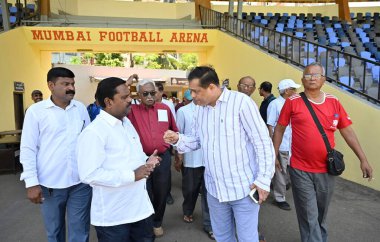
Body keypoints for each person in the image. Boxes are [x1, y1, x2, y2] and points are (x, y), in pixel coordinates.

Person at [163, 66, 275, 242]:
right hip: (214, 190)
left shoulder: (241, 103)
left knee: (247, 238)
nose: (192, 96)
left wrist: (263, 180)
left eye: (195, 91)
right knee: (222, 237)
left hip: (243, 188)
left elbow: (262, 143)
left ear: (212, 88)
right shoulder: (200, 109)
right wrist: (177, 139)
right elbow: (197, 140)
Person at [273, 63, 373, 242]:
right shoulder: (293, 101)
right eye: (308, 75)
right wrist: (273, 154)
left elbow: (347, 131)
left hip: (327, 170)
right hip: (300, 169)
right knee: (308, 213)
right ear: (303, 80)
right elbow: (279, 129)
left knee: (320, 213)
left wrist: (363, 159)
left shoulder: (334, 102)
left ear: (324, 80)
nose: (312, 77)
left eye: (316, 74)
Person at [77, 77, 161, 242]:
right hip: (114, 218)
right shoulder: (94, 132)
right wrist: (132, 175)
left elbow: (129, 156)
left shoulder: (126, 123)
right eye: (124, 97)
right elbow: (89, 175)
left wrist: (147, 161)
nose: (130, 100)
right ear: (108, 102)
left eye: (129, 95)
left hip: (140, 210)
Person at [20, 67, 92, 242]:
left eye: (73, 84)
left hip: (80, 183)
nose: (71, 88)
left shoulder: (80, 108)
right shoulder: (36, 112)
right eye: (65, 84)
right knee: (54, 231)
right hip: (50, 184)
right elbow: (28, 147)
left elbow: (89, 141)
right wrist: (31, 183)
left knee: (80, 231)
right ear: (51, 85)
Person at [128, 80, 178, 238]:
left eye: (153, 93)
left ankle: (157, 222)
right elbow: (116, 96)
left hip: (162, 159)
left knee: (161, 192)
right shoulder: (131, 110)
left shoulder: (165, 109)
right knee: (144, 192)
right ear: (138, 95)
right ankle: (145, 224)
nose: (150, 96)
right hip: (140, 160)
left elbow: (174, 131)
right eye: (145, 93)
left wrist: (176, 151)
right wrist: (127, 82)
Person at [175, 89, 214, 240]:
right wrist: (179, 157)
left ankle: (209, 224)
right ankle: (188, 210)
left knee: (208, 192)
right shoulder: (183, 111)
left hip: (210, 160)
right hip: (191, 159)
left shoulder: (211, 110)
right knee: (190, 189)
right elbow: (179, 134)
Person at [267, 79, 300, 211]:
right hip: (281, 144)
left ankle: (278, 189)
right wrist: (272, 145)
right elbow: (270, 125)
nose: (296, 92)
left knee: (286, 172)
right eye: (293, 89)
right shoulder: (275, 104)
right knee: (280, 172)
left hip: (292, 144)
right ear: (287, 91)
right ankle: (279, 198)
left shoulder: (294, 103)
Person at [155, 81, 176, 205]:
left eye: (155, 92)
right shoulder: (147, 105)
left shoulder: (168, 105)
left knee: (165, 172)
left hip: (165, 144)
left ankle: (167, 194)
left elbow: (172, 123)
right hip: (150, 145)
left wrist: (173, 145)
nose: (152, 95)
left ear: (161, 92)